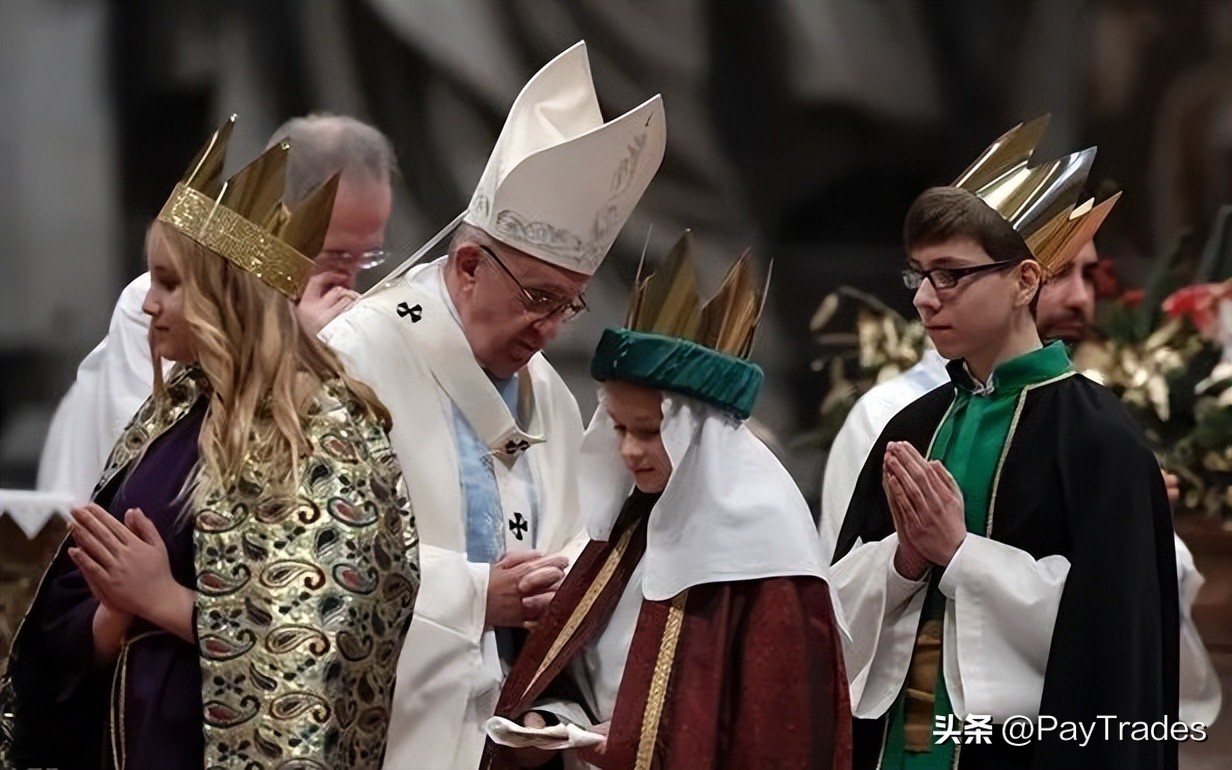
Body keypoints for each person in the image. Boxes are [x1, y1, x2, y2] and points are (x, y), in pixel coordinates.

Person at [0, 117, 419, 770]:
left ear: (230, 295)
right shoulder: (168, 419)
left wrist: (164, 601)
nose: (147, 304)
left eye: (170, 283)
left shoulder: (324, 436)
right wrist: (112, 616)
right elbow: (73, 617)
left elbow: (325, 650)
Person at [319, 41, 666, 770]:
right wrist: (477, 596)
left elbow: (571, 551)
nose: (546, 328)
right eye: (537, 297)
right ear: (471, 265)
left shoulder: (546, 395)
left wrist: (554, 668)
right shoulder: (356, 358)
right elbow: (317, 566)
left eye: (568, 305)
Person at [829, 116, 1179, 769]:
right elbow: (835, 610)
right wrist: (903, 563)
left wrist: (961, 555)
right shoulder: (912, 426)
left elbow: (1114, 638)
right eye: (919, 277)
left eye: (950, 275)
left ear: (1024, 282)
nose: (926, 301)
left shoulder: (1099, 439)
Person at [482, 231, 851, 770]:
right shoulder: (628, 530)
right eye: (618, 428)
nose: (630, 451)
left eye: (650, 431)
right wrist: (549, 722)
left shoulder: (768, 556)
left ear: (699, 435)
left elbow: (777, 735)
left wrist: (634, 746)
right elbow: (579, 678)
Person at [819, 243, 1222, 728]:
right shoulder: (897, 418)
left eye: (1090, 276)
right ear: (1022, 281)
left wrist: (1140, 522)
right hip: (908, 723)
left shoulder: (1100, 425)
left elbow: (1130, 624)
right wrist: (906, 560)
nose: (1081, 298)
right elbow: (833, 609)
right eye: (1061, 274)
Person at [36, 113, 396, 503]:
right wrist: (289, 346)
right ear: (278, 221)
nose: (350, 279)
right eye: (337, 255)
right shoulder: (162, 307)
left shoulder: (363, 315)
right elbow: (159, 480)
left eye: (368, 257)